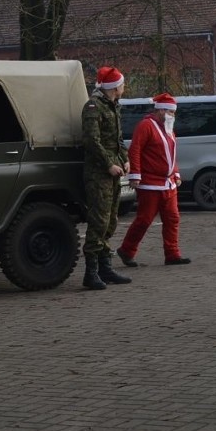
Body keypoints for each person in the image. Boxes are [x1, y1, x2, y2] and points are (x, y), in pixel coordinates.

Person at [116, 93, 191, 267]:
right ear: (161, 110)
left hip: (168, 183)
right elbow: (135, 149)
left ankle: (172, 254)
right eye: (170, 112)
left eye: (173, 113)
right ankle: (127, 249)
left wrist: (176, 173)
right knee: (144, 219)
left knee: (172, 218)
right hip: (150, 183)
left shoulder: (168, 127)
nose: (173, 116)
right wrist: (135, 174)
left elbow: (171, 154)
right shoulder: (145, 126)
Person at [80, 66, 133, 290]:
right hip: (99, 173)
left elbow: (118, 139)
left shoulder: (114, 106)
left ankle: (105, 268)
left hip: (113, 171)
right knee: (99, 221)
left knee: (110, 220)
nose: (124, 87)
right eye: (121, 83)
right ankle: (90, 273)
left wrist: (124, 159)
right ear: (113, 87)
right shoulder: (94, 106)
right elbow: (92, 141)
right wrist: (109, 164)